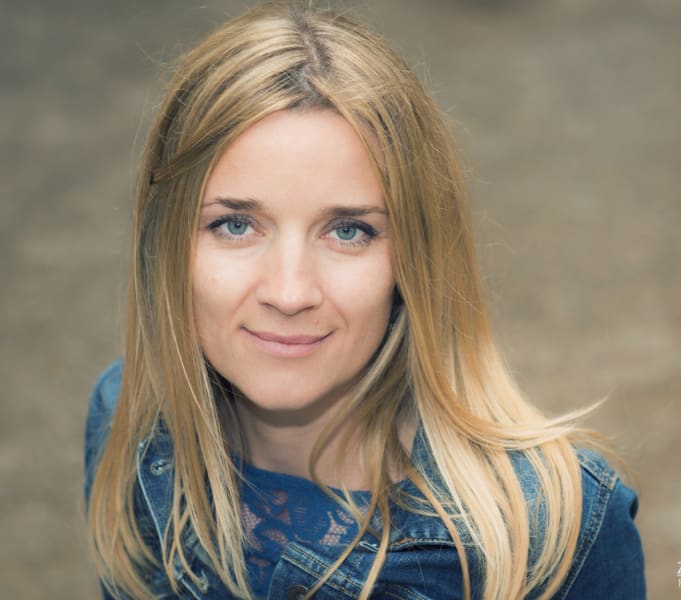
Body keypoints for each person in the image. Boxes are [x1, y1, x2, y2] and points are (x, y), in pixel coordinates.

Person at [84, 4, 646, 599]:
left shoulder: (554, 531)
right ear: (165, 243)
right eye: (235, 225)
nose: (290, 293)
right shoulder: (130, 424)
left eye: (348, 231)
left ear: (414, 259)